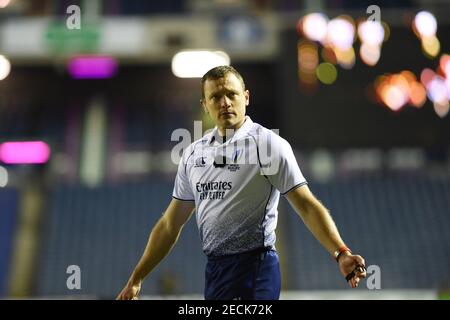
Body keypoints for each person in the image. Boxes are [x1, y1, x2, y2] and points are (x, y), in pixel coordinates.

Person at [116, 65, 366, 300]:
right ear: (205, 105)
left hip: (256, 269)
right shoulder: (193, 154)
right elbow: (170, 225)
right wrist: (137, 278)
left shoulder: (267, 145)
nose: (225, 102)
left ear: (246, 97)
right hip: (215, 272)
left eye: (231, 94)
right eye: (215, 97)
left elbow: (307, 205)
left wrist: (340, 252)